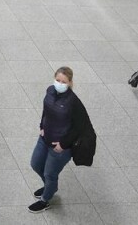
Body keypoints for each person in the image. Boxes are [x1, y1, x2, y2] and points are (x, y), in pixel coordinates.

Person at [28, 66, 90, 213]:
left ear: (70, 83)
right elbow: (46, 111)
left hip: (60, 148)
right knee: (36, 164)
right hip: (44, 138)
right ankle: (50, 186)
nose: (60, 84)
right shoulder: (50, 90)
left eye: (64, 81)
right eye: (57, 80)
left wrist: (63, 144)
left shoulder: (73, 102)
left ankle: (46, 199)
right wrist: (42, 126)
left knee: (50, 173)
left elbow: (79, 127)